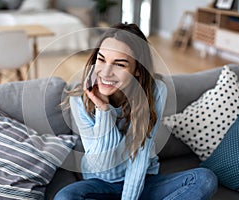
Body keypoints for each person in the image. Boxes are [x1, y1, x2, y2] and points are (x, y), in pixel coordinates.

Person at [54, 23, 218, 200]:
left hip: (144, 180)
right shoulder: (80, 98)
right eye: (101, 60)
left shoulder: (156, 92)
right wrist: (104, 110)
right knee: (65, 197)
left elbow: (139, 159)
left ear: (138, 70)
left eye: (120, 64)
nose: (106, 72)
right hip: (100, 184)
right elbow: (102, 163)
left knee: (205, 179)